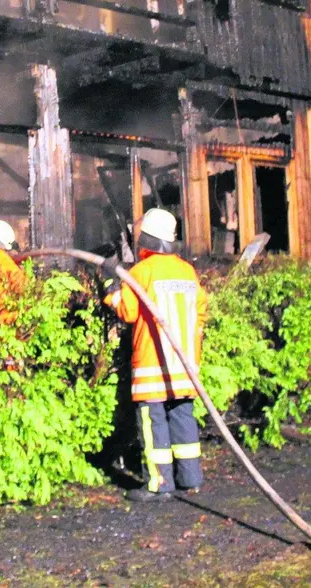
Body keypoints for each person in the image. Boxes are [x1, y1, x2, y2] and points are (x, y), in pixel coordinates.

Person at [102, 208, 207, 502]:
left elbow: (128, 311)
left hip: (153, 365)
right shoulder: (187, 271)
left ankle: (159, 484)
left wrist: (111, 287)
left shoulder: (142, 272)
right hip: (185, 366)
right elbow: (201, 312)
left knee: (153, 422)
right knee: (183, 417)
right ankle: (191, 478)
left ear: (146, 239)